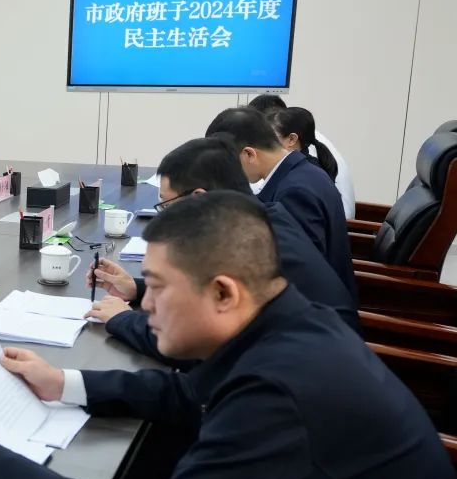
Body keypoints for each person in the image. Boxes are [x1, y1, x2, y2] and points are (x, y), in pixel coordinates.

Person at [0, 192, 457, 479]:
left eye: (158, 288)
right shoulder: (286, 322)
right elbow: (189, 395)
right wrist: (62, 382)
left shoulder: (281, 396)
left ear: (223, 292)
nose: (144, 305)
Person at [87, 136, 358, 370]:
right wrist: (137, 287)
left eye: (166, 206)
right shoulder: (260, 218)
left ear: (197, 197)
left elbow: (194, 346)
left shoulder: (247, 247)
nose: (165, 217)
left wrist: (123, 319)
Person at [205, 107, 354, 295]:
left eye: (229, 163)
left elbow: (296, 273)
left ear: (249, 154)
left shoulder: (295, 193)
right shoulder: (303, 172)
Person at [248, 95, 355, 217]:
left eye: (267, 139)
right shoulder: (303, 164)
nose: (260, 146)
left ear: (292, 139)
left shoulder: (298, 183)